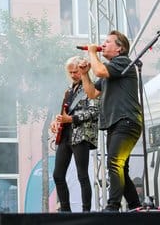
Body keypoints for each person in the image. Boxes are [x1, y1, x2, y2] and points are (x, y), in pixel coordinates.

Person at [79, 30, 143, 212]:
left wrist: (92, 52)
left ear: (119, 48)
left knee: (114, 163)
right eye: (103, 42)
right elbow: (92, 93)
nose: (103, 45)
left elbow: (99, 70)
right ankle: (135, 206)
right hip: (117, 123)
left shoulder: (122, 62)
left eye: (108, 42)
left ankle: (113, 206)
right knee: (121, 167)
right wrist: (84, 74)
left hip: (126, 120)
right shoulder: (111, 70)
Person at [50, 56, 99, 212]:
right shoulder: (68, 91)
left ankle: (86, 211)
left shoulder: (90, 87)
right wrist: (56, 121)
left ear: (83, 69)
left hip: (81, 135)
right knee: (58, 175)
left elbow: (94, 111)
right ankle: (65, 210)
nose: (73, 75)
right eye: (70, 72)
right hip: (65, 135)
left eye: (76, 71)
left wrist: (71, 118)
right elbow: (63, 113)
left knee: (82, 175)